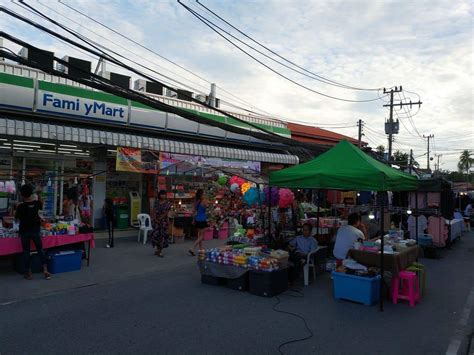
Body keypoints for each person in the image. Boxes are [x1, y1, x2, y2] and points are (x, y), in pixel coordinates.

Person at [15, 184, 51, 280]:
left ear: (22, 194)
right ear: (31, 193)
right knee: (40, 250)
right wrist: (39, 194)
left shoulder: (21, 206)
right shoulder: (38, 203)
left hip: (24, 231)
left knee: (26, 251)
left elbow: (16, 219)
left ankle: (29, 273)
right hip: (36, 230)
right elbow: (41, 211)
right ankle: (45, 270)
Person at [152, 190, 171, 257]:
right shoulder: (156, 202)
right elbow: (154, 210)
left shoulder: (168, 203)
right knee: (156, 235)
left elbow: (166, 213)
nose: (163, 196)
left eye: (164, 194)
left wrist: (160, 218)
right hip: (156, 221)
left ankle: (160, 251)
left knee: (162, 236)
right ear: (159, 195)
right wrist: (154, 218)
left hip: (163, 221)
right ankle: (157, 249)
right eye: (162, 194)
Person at [189, 189, 208, 256]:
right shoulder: (204, 201)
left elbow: (194, 212)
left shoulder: (196, 201)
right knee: (201, 236)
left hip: (197, 219)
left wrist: (193, 220)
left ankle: (201, 249)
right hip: (202, 219)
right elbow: (207, 210)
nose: (204, 194)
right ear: (201, 194)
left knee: (200, 235)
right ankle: (192, 248)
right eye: (204, 193)